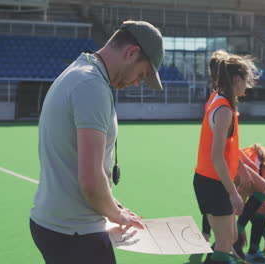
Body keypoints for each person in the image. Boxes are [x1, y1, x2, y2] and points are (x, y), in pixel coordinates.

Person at [30, 20, 164, 264]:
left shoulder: (81, 71)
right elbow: (91, 181)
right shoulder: (92, 86)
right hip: (74, 232)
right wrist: (116, 215)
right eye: (141, 74)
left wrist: (114, 207)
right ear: (131, 52)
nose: (137, 82)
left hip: (57, 225)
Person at [193, 53, 259, 264]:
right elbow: (216, 155)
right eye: (246, 80)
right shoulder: (224, 110)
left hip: (215, 180)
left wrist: (240, 168)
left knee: (230, 238)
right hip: (213, 182)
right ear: (237, 80)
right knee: (224, 242)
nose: (247, 86)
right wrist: (233, 193)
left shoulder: (220, 100)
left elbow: (228, 149)